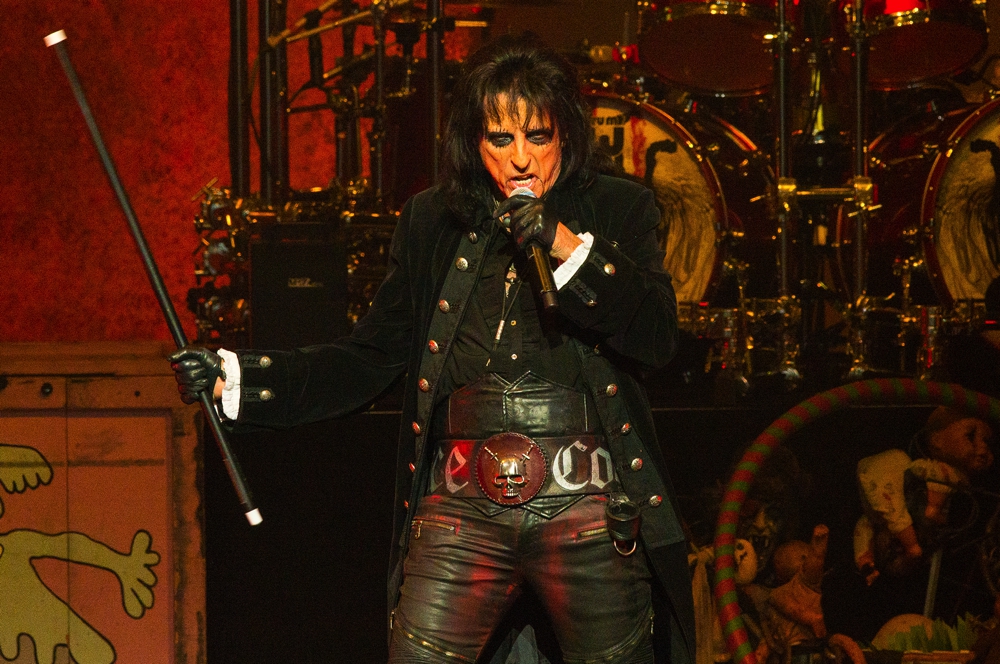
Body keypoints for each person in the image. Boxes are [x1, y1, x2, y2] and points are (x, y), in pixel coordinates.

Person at [170, 33, 694, 664]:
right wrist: (237, 378)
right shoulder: (432, 220)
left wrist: (563, 244)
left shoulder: (619, 208)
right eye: (500, 139)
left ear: (567, 136)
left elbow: (657, 337)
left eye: (538, 137)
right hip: (461, 511)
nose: (520, 159)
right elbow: (368, 358)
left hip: (589, 509)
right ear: (473, 142)